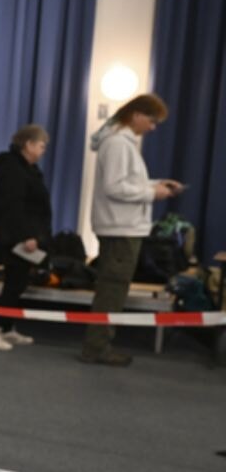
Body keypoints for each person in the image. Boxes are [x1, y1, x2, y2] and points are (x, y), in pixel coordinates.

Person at [83, 94, 184, 366]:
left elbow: (127, 182)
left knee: (114, 288)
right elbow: (114, 187)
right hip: (120, 228)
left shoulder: (122, 142)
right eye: (152, 121)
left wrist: (157, 184)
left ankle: (99, 344)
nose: (152, 128)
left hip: (124, 226)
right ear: (136, 114)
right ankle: (96, 347)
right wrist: (152, 194)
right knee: (112, 289)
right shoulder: (117, 143)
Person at [0, 124, 52, 351]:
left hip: (27, 236)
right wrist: (26, 236)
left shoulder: (29, 169)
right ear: (28, 144)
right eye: (41, 146)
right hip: (15, 239)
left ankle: (7, 327)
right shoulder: (11, 169)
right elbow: (12, 207)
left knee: (19, 283)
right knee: (13, 284)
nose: (43, 150)